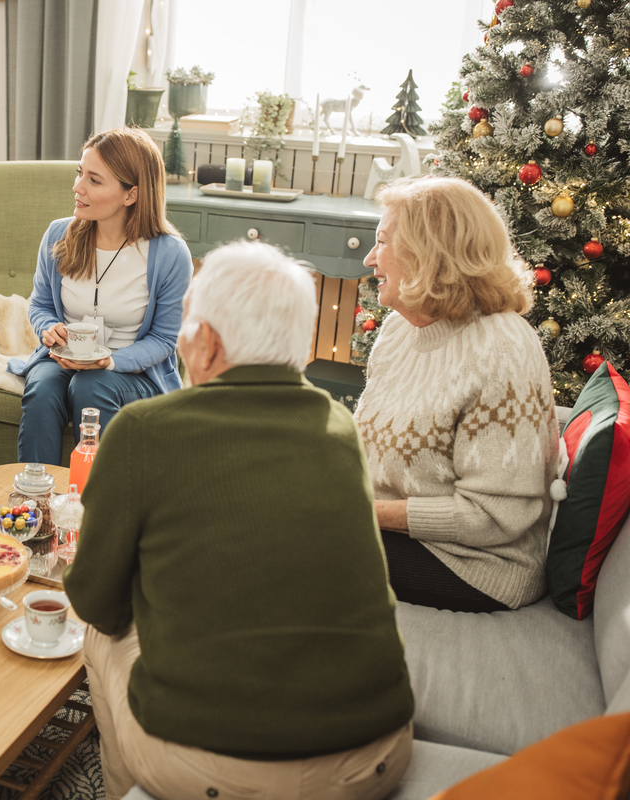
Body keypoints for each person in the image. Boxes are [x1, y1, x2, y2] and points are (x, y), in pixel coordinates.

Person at [64, 241, 415, 800]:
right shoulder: (338, 425)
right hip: (376, 756)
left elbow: (96, 601)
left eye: (186, 324)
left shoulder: (142, 429)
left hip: (219, 776)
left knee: (100, 638)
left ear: (206, 343)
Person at [355, 176, 558, 612]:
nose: (371, 258)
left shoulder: (502, 350)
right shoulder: (397, 330)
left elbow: (495, 517)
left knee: (290, 545)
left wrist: (359, 513)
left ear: (429, 252)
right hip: (400, 530)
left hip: (476, 563)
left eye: (383, 242)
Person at [8, 127, 192, 465]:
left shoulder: (169, 254)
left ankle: (96, 504)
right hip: (63, 359)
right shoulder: (59, 234)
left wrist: (110, 361)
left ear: (131, 195)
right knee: (43, 386)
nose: (77, 187)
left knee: (91, 387)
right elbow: (41, 304)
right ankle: (36, 498)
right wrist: (48, 328)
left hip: (132, 373)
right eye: (80, 173)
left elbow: (166, 339)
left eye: (94, 180)